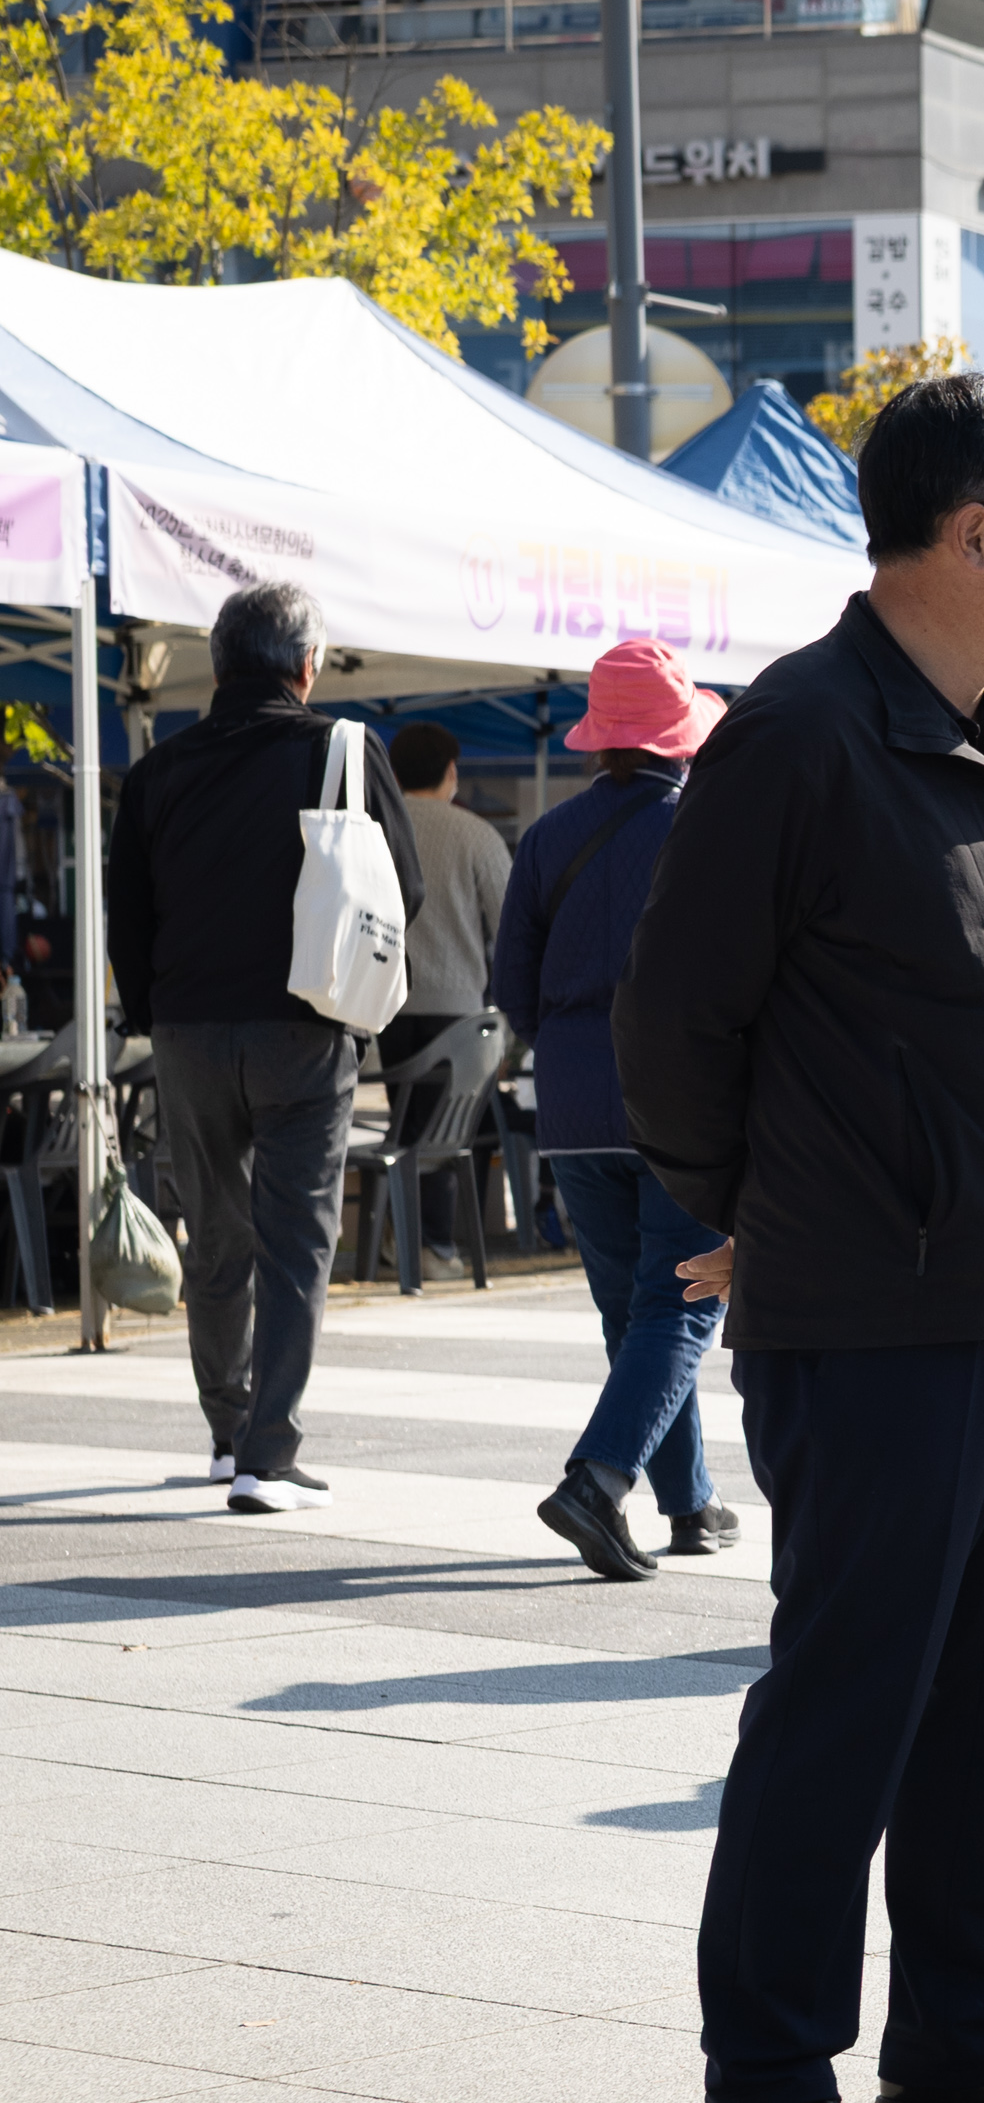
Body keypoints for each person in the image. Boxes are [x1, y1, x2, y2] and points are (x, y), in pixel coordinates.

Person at [614, 374, 984, 2103]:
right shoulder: (799, 735)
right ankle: (770, 2068)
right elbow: (675, 1020)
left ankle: (962, 2039)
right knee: (848, 1700)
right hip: (878, 1318)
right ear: (970, 531)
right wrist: (753, 1208)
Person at [106, 582, 424, 1512]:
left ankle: (226, 1431)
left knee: (215, 1232)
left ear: (218, 663)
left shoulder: (159, 770)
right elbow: (403, 888)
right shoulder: (343, 749)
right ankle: (268, 1455)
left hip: (187, 1031)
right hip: (305, 1022)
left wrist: (151, 1015)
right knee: (296, 1238)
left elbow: (128, 912)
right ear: (307, 664)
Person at [496, 642, 741, 1582]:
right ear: (681, 740)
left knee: (631, 1311)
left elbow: (512, 984)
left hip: (570, 1104)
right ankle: (597, 1482)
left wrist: (569, 1050)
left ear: (601, 741)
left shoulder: (546, 837)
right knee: (682, 1302)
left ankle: (690, 1501)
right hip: (679, 1096)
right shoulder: (702, 830)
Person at [377, 721, 513, 1265]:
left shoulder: (377, 829)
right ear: (451, 772)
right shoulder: (476, 834)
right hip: (458, 1012)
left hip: (386, 1005)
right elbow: (511, 927)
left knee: (404, 1128)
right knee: (449, 1134)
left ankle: (404, 1240)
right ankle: (435, 1244)